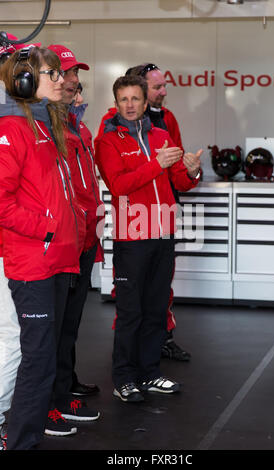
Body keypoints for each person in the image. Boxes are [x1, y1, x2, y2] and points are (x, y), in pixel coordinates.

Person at [94, 75, 202, 402]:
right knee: (131, 312)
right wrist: (156, 164)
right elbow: (119, 185)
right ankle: (124, 377)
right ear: (116, 103)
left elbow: (180, 182)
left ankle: (150, 372)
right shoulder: (108, 141)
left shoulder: (161, 134)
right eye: (123, 99)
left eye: (135, 99)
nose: (129, 105)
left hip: (164, 233)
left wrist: (193, 170)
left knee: (156, 309)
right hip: (133, 236)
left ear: (145, 102)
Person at [0, 46, 86, 449]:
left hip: (58, 259)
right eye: (51, 74)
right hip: (33, 261)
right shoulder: (14, 129)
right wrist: (48, 230)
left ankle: (23, 438)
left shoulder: (46, 128)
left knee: (44, 361)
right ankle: (18, 442)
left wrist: (71, 231)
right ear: (23, 81)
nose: (60, 80)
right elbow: (3, 203)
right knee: (37, 362)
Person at [47, 44, 104, 403]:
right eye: (67, 73)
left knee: (71, 322)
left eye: (76, 74)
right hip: (64, 241)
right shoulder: (48, 129)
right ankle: (53, 392)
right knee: (53, 326)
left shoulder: (79, 130)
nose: (73, 80)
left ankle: (66, 381)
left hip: (86, 239)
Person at [0, 34, 41, 452]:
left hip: (12, 245)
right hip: (9, 247)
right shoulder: (10, 124)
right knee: (12, 338)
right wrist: (45, 227)